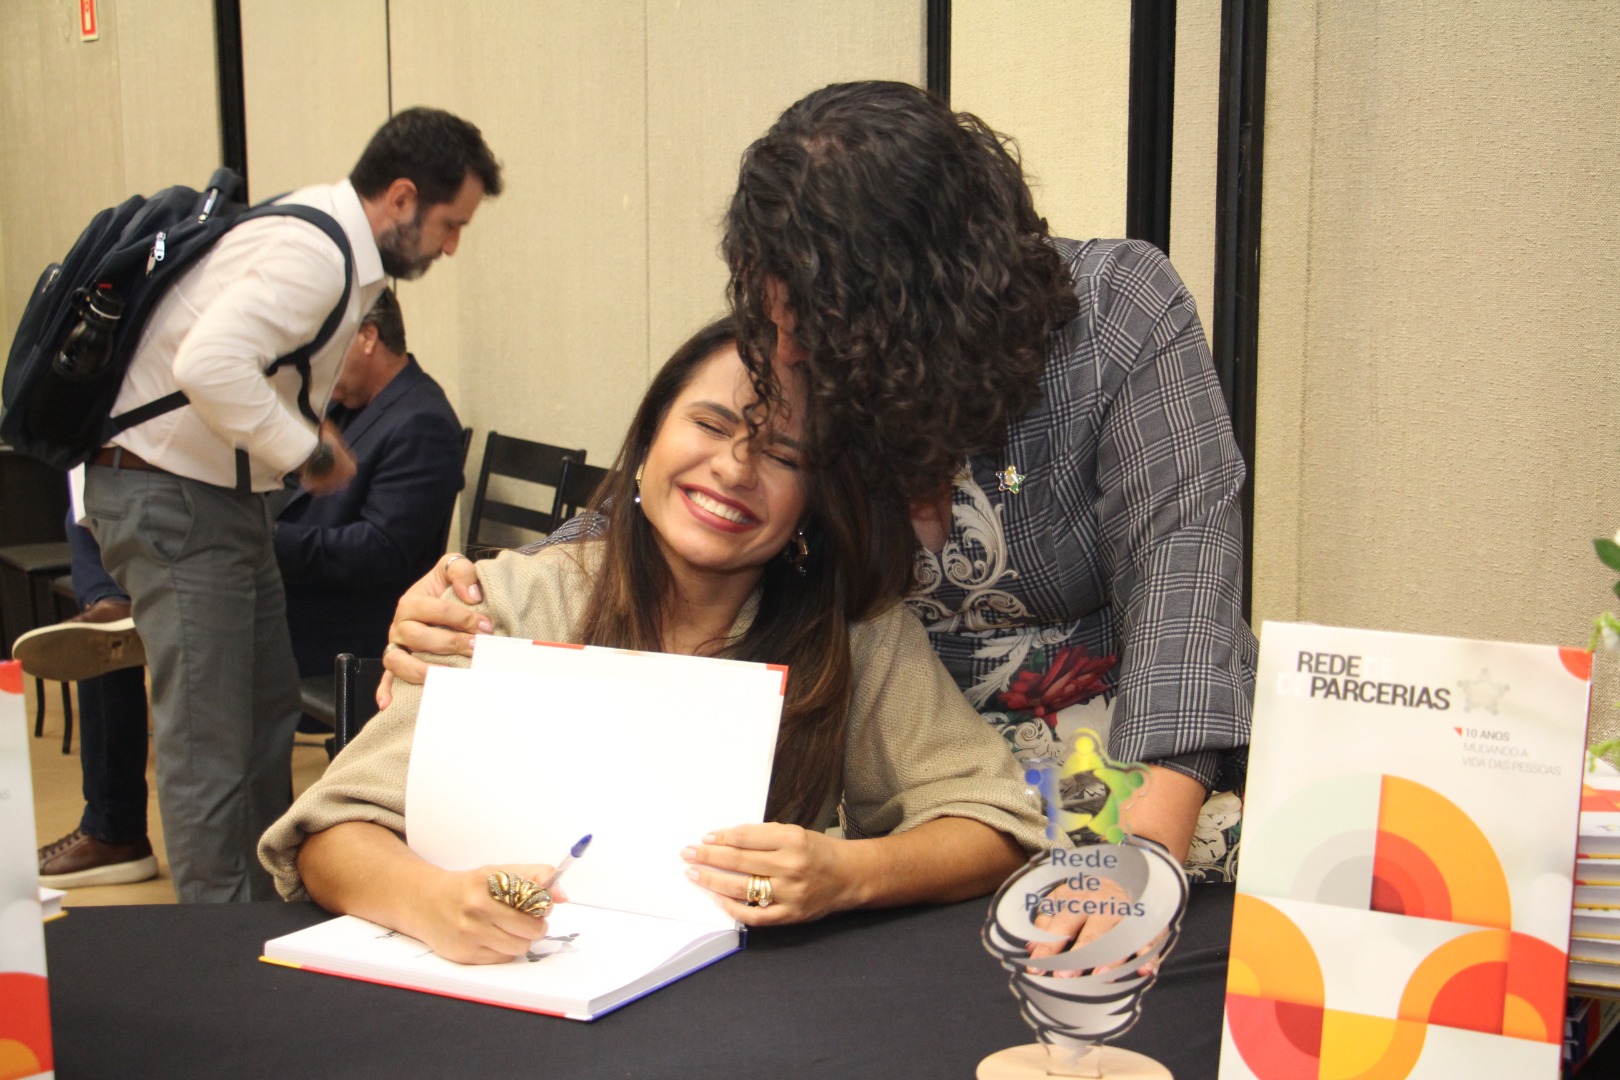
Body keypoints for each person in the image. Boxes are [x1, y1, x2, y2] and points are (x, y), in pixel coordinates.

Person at [386, 83, 1253, 881]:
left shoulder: (1117, 316)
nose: (789, 349)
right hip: (916, 811)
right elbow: (674, 501)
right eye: (773, 309)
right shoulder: (812, 345)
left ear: (924, 307)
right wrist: (477, 606)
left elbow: (1185, 582)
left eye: (813, 320)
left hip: (1128, 780)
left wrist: (1138, 866)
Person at [258, 319, 1048, 964]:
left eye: (782, 455)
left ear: (813, 499)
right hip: (502, 998)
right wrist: (429, 902)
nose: (736, 469)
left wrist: (851, 873)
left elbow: (994, 824)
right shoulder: (512, 599)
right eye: (710, 423)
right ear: (647, 440)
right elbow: (333, 829)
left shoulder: (856, 634)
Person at [84, 107, 501, 903]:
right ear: (403, 197)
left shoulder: (320, 240)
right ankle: (219, 947)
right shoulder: (313, 250)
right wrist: (304, 449)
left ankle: (264, 905)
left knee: (262, 712)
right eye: (450, 224)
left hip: (218, 499)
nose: (452, 246)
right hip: (177, 497)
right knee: (210, 741)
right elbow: (211, 363)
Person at [274, 286, 464, 677]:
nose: (315, 366)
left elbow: (381, 550)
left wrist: (268, 540)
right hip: (307, 607)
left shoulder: (422, 421)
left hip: (351, 634)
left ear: (368, 336)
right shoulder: (348, 405)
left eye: (324, 350)